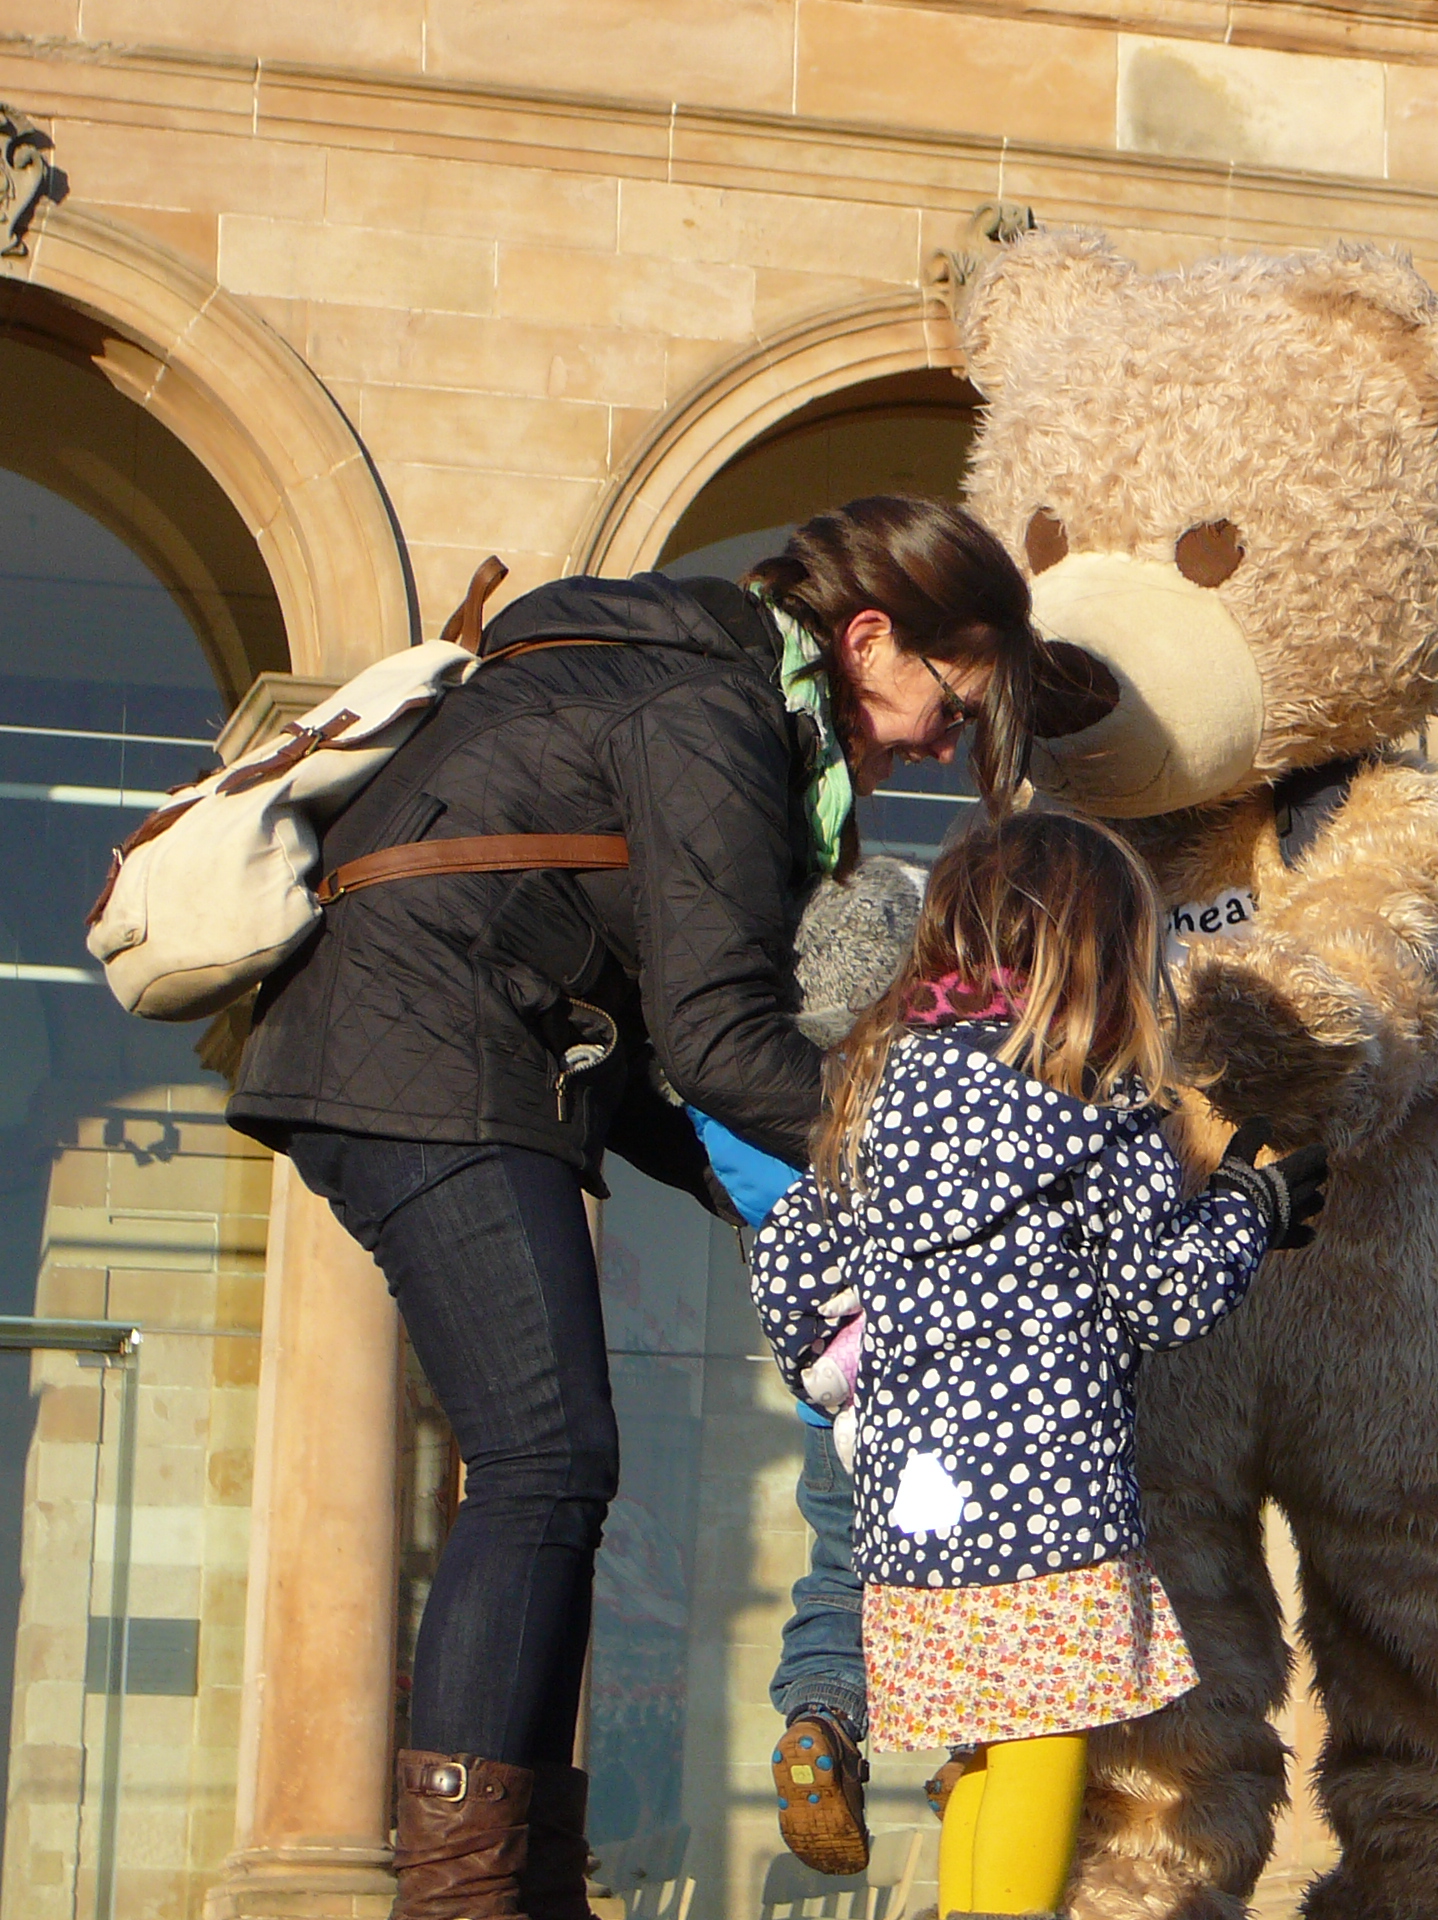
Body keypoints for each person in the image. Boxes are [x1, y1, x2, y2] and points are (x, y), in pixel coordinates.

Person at [225, 497, 1044, 1920]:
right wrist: (935, 1168)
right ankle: (474, 1897)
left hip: (450, 1054)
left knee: (549, 1467)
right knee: (546, 1460)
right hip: (428, 1053)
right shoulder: (711, 715)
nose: (939, 745)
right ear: (868, 639)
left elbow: (682, 1065)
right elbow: (724, 1043)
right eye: (950, 703)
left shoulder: (702, 692)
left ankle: (527, 1879)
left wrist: (796, 1207)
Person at [747, 813, 1327, 1920]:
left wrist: (852, 1380)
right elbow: (1165, 1293)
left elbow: (789, 1265)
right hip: (1049, 1504)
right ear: (1101, 954)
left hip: (910, 1512)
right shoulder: (1092, 1110)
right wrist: (1253, 1208)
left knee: (987, 1746)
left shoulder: (876, 1097)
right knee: (1044, 1745)